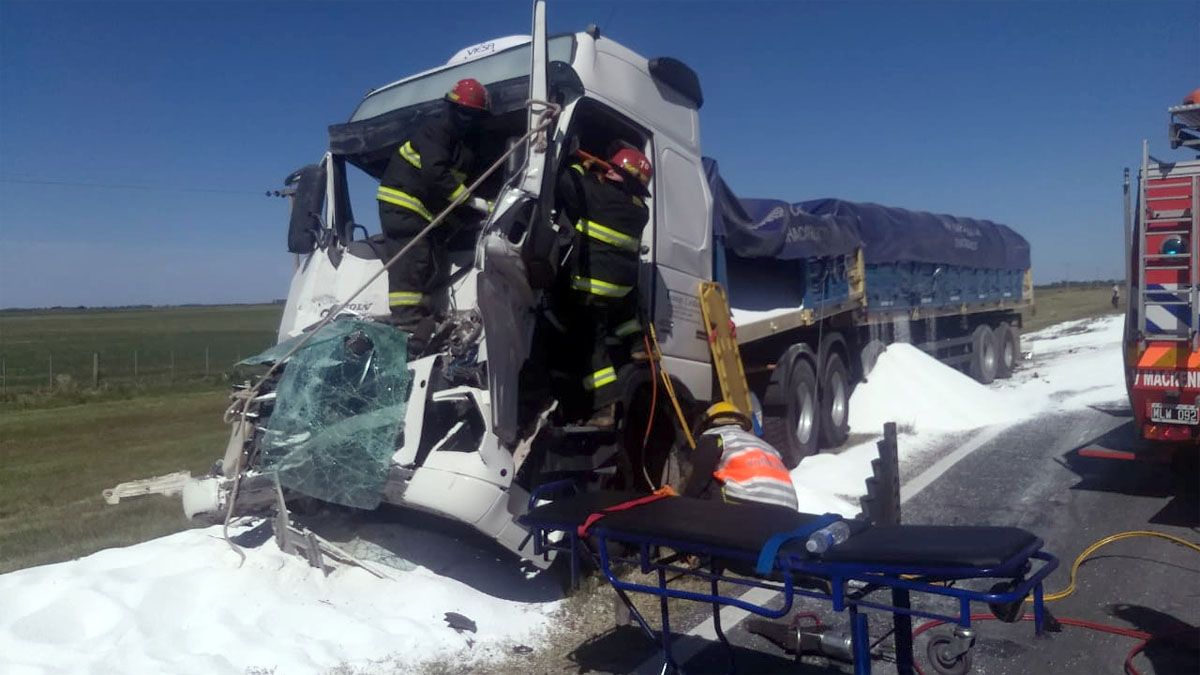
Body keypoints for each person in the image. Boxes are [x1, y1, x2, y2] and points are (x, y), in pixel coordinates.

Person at [376, 78, 490, 346]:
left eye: (472, 115)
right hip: (402, 206)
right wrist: (472, 202)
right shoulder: (434, 130)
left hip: (423, 212)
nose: (465, 119)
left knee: (430, 261)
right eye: (461, 112)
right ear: (449, 108)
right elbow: (436, 174)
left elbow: (451, 187)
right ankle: (406, 322)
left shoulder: (463, 147)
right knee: (412, 261)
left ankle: (427, 317)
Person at [550, 146, 653, 426]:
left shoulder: (598, 195)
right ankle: (636, 342)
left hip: (591, 287)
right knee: (623, 316)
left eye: (614, 170)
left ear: (625, 178)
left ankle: (605, 405)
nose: (607, 170)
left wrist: (576, 163)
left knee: (589, 345)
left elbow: (567, 184)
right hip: (619, 291)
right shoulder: (639, 210)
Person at [682, 402, 799, 510]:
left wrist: (683, 502)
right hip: (789, 508)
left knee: (706, 487)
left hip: (749, 507)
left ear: (709, 422)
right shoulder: (767, 447)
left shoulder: (716, 436)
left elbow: (699, 477)